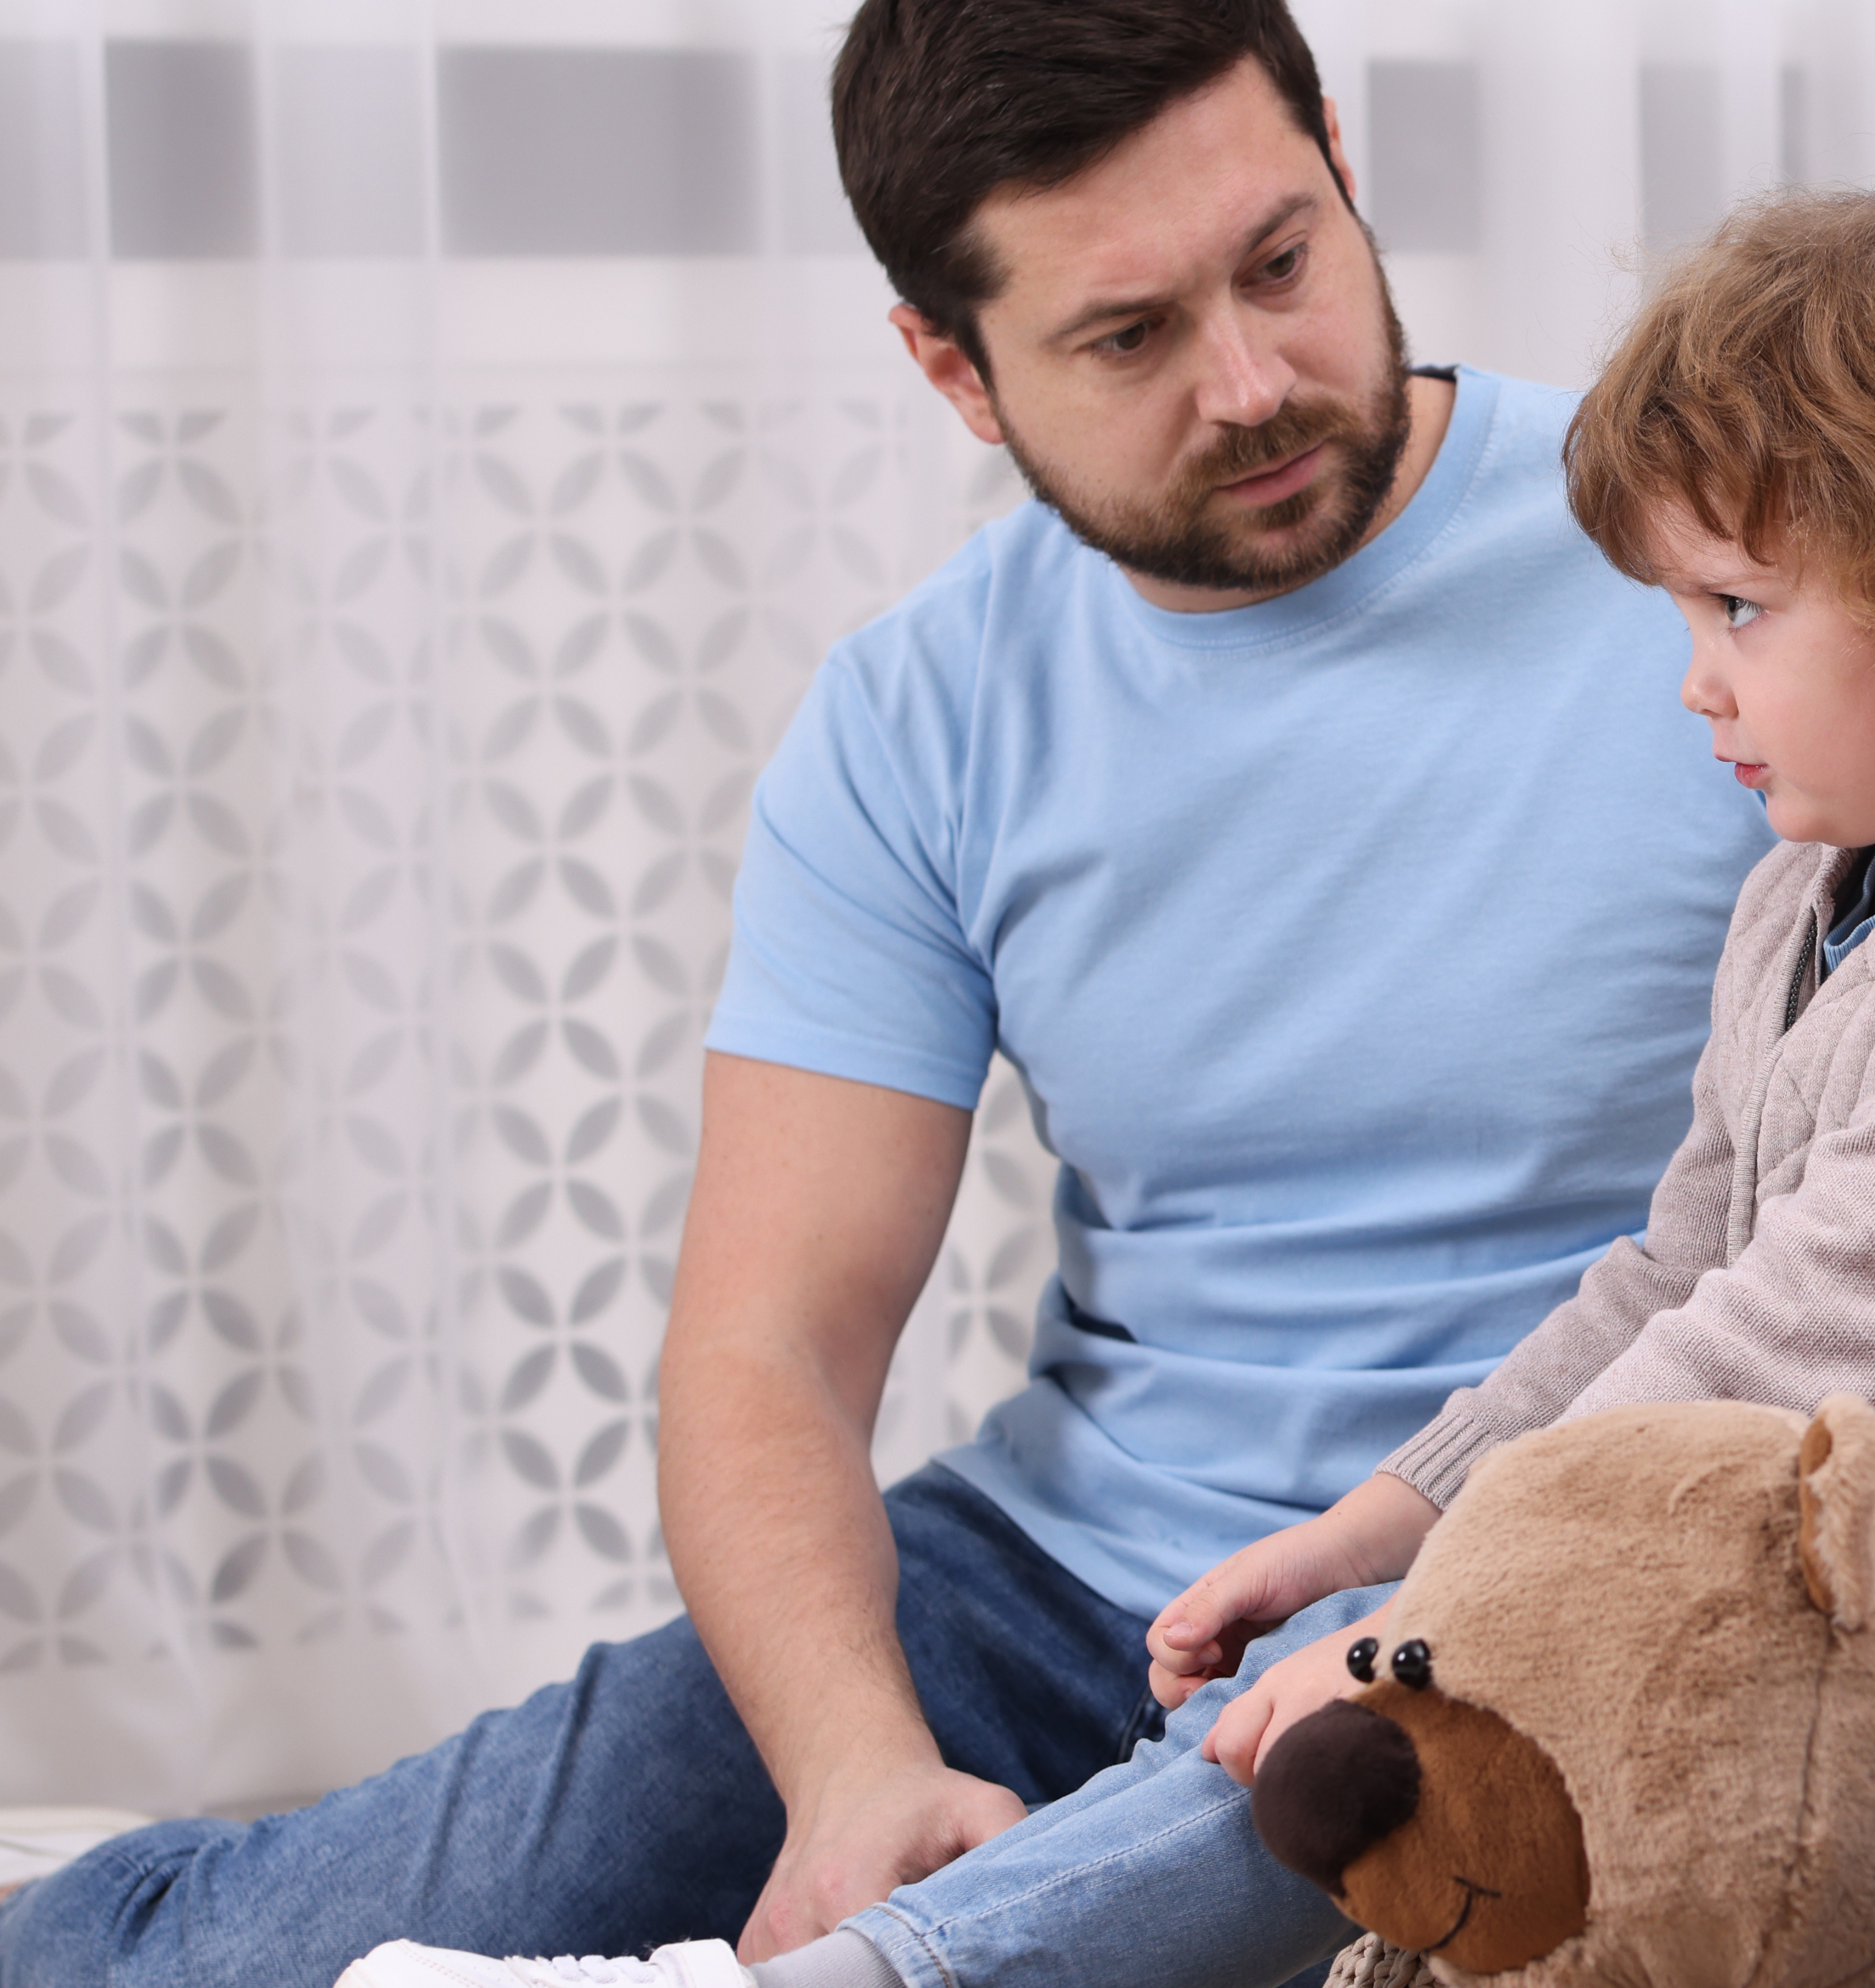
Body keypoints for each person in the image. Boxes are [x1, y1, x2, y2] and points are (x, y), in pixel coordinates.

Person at [345, 159, 1875, 1988]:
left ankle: (903, 1972)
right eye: (1681, 612)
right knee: (1344, 1670)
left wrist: (1429, 1618)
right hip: (1787, 1561)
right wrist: (1380, 1521)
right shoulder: (1826, 876)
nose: (1691, 681)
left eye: (1738, 611)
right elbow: (1667, 1278)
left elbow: (1777, 1347)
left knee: (1374, 1721)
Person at [0, 3, 1784, 1984]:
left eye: (1280, 263)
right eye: (1128, 338)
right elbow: (766, 1347)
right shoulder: (919, 712)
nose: (1254, 380)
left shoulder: (1711, 562)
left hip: (1558, 1543)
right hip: (1073, 1579)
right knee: (261, 1945)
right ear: (953, 366)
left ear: (1343, 167)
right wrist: (854, 1768)